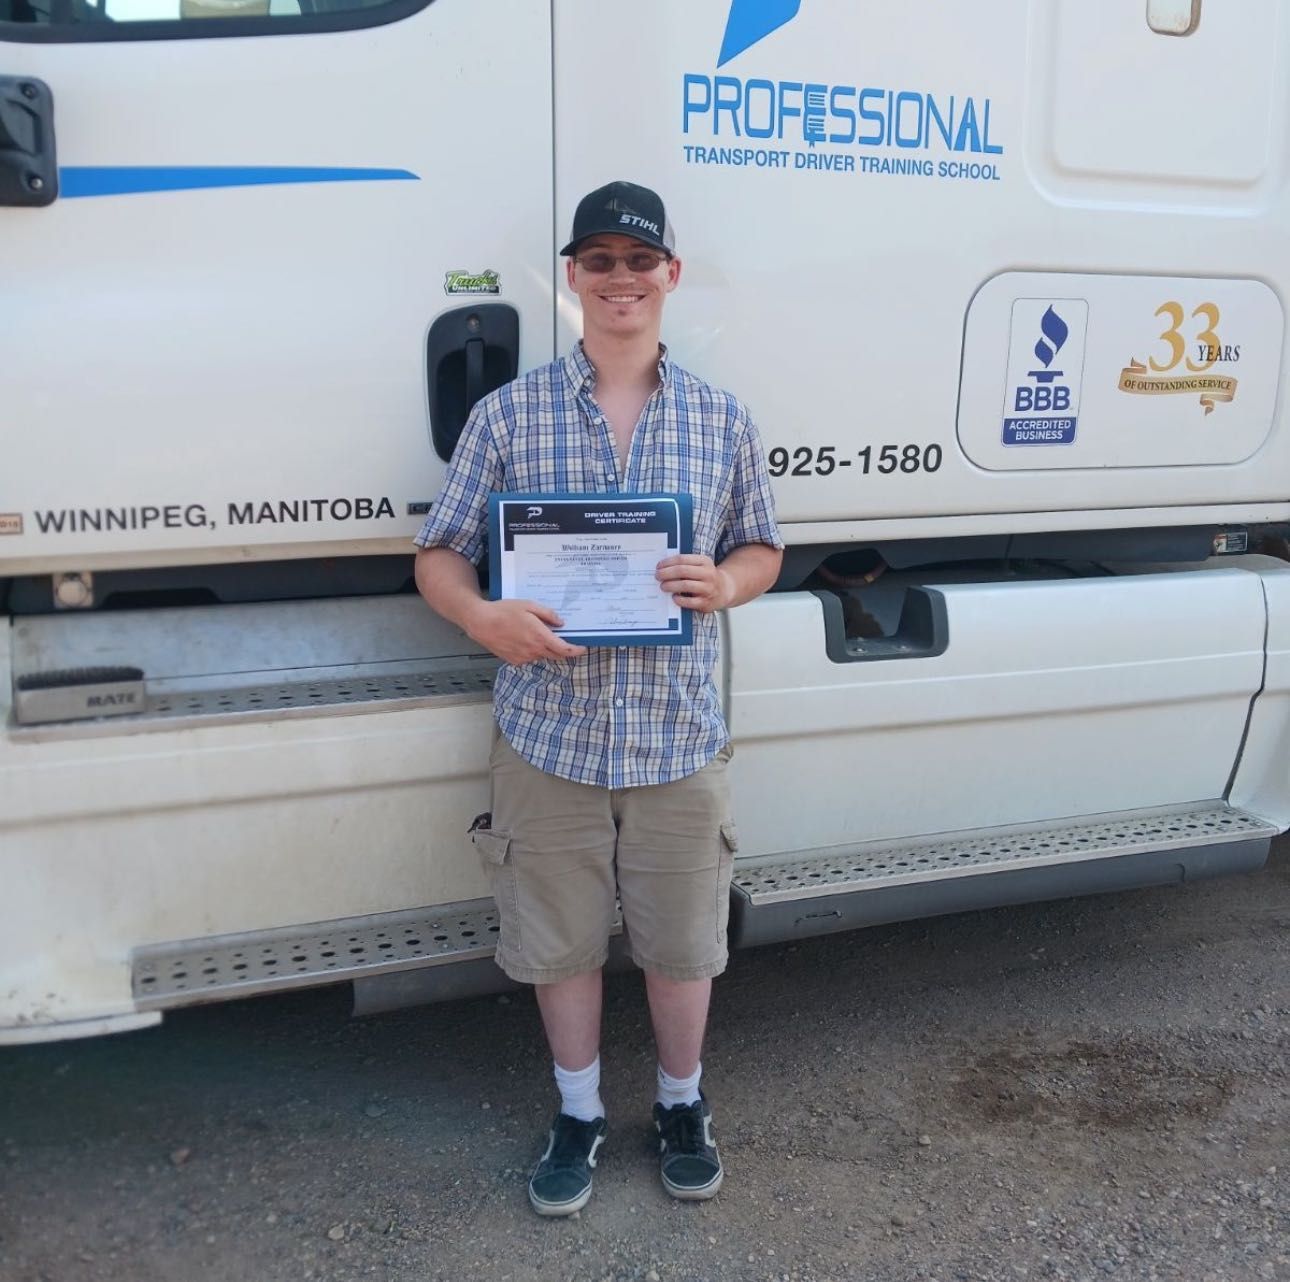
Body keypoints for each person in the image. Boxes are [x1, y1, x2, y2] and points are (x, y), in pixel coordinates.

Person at [413, 180, 783, 1215]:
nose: (623, 278)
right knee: (561, 944)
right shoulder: (507, 414)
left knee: (682, 946)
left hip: (675, 736)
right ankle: (577, 1113)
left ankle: (680, 1103)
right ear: (573, 276)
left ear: (672, 273)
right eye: (602, 260)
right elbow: (439, 552)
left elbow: (762, 545)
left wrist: (726, 584)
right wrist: (482, 617)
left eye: (640, 259)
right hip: (550, 735)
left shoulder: (719, 419)